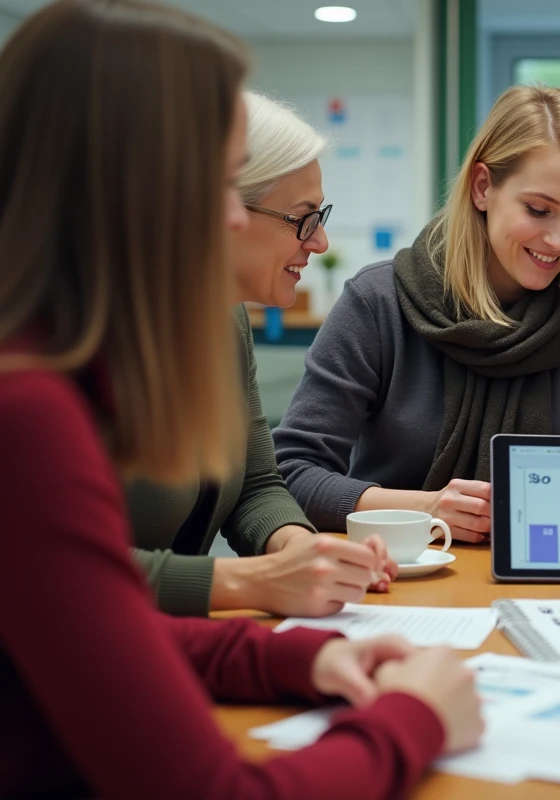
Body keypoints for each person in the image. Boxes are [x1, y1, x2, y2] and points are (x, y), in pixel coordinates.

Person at [0, 2, 482, 796]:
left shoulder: (60, 365)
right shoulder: (26, 413)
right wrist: (414, 719)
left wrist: (297, 657)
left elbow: (100, 626)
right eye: (222, 183)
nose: (230, 216)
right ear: (134, 189)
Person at [273, 85, 560, 541]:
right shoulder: (377, 303)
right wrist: (425, 509)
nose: (559, 241)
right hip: (399, 570)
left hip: (553, 570)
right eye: (539, 210)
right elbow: (292, 474)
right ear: (482, 188)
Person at [127, 90, 397, 618]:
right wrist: (257, 582)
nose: (319, 242)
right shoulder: (79, 341)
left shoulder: (225, 321)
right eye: (302, 219)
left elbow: (255, 483)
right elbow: (48, 569)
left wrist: (302, 549)